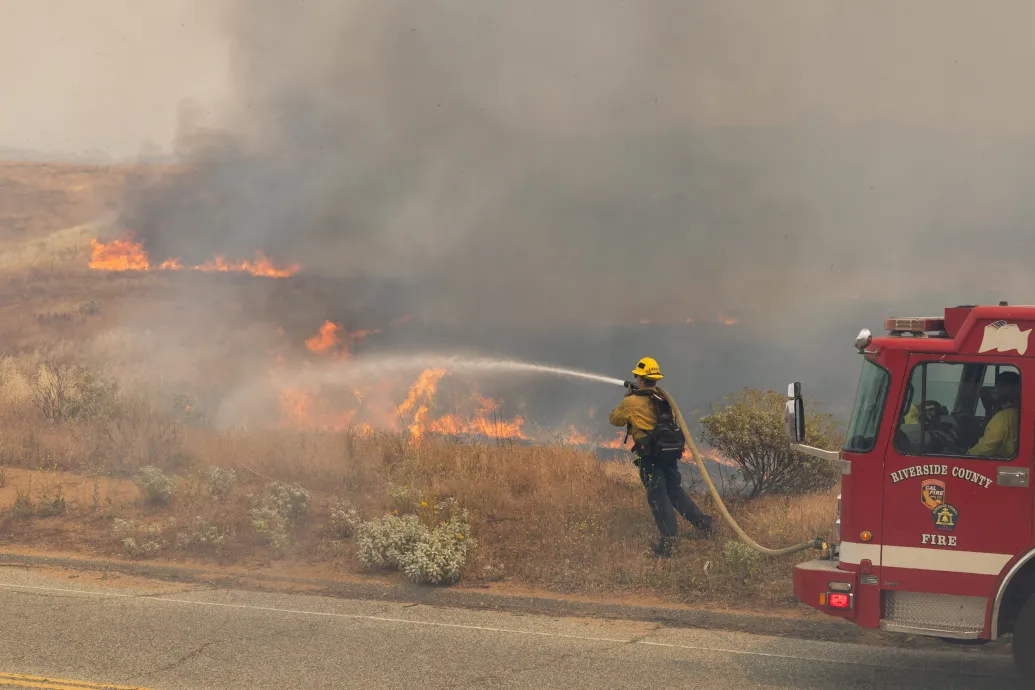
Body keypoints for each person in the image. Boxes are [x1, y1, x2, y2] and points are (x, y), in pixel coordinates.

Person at [608, 357, 713, 557]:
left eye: (637, 377)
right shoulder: (663, 398)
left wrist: (628, 398)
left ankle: (669, 543)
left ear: (640, 379)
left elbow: (614, 419)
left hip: (650, 457)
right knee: (675, 492)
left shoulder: (631, 402)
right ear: (655, 379)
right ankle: (705, 525)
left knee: (658, 497)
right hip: (668, 454)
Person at [968, 370, 1021, 458]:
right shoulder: (1018, 414)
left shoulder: (1002, 418)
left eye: (996, 388)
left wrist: (968, 454)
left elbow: (987, 447)